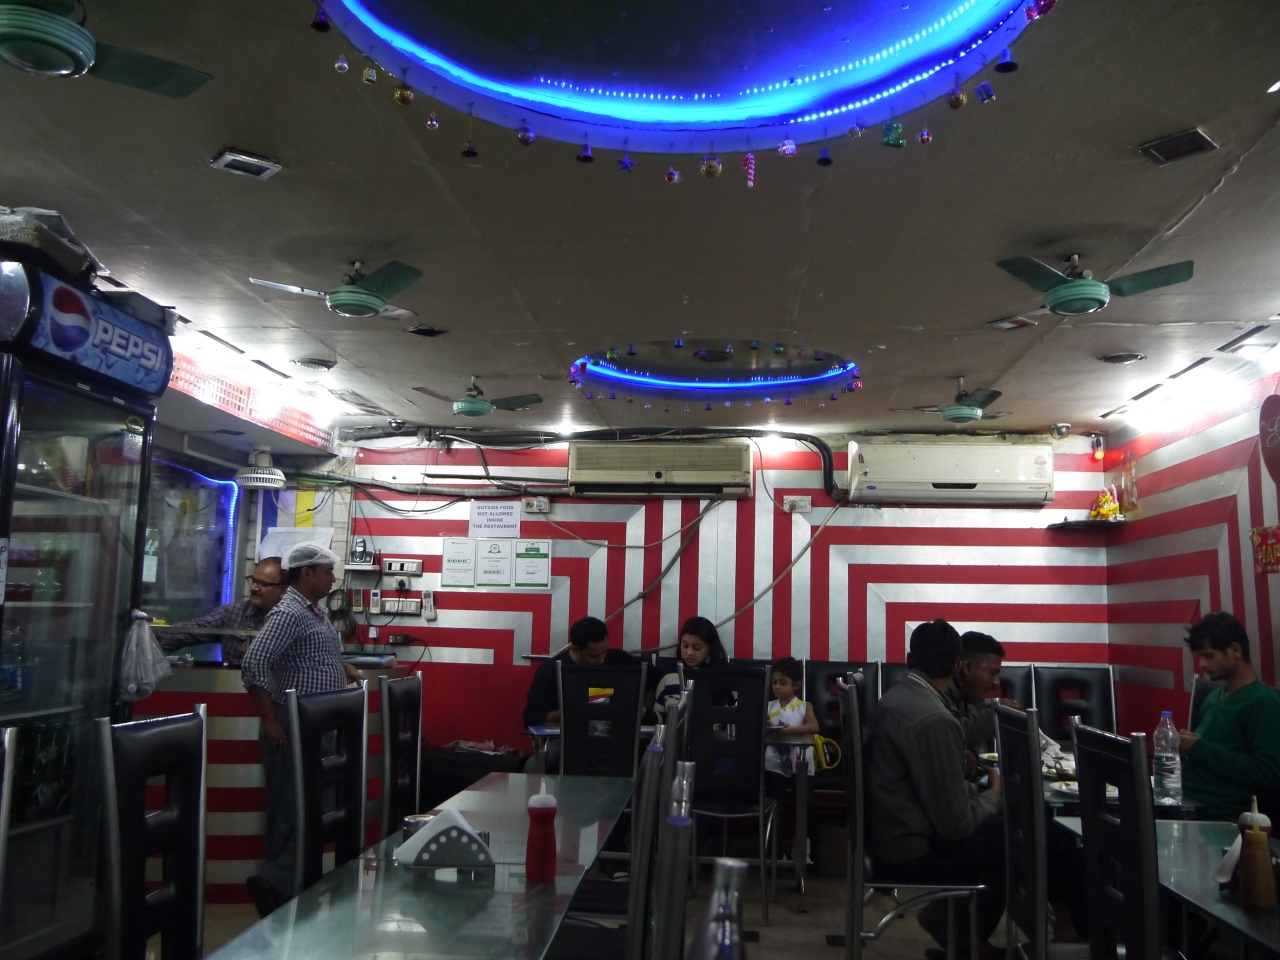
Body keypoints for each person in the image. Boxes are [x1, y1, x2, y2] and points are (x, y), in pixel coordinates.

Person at [865, 619, 1087, 958]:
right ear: (958, 666)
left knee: (1021, 827)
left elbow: (933, 787)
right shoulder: (932, 718)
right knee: (1041, 834)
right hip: (910, 853)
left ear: (910, 660)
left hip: (890, 838)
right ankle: (1070, 936)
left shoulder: (901, 695)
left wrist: (977, 784)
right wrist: (993, 793)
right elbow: (956, 824)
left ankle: (964, 931)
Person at [240, 543, 362, 918]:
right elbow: (254, 663)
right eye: (327, 571)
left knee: (316, 805)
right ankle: (276, 885)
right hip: (291, 723)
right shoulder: (289, 612)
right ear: (306, 573)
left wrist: (341, 667)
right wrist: (269, 719)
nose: (333, 578)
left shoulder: (315, 611)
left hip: (316, 725)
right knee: (291, 809)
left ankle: (286, 885)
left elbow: (311, 656)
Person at [1179, 611, 1280, 820]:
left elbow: (1269, 772)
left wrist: (1200, 749)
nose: (1202, 664)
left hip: (1219, 814)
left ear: (1235, 650)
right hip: (1185, 802)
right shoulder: (1213, 698)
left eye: (1209, 655)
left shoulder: (1263, 702)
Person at [522, 616, 642, 773]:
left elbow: (653, 675)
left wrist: (641, 706)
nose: (601, 660)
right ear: (575, 649)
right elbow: (531, 718)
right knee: (532, 768)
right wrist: (570, 712)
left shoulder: (617, 660)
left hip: (612, 737)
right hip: (567, 739)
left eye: (604, 653)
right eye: (593, 656)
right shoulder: (550, 671)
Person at [157, 557, 286, 665]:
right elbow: (192, 631)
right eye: (253, 581)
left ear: (283, 590)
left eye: (263, 584)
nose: (254, 588)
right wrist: (149, 637)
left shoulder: (292, 619)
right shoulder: (234, 612)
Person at [764, 656, 818, 854]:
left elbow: (814, 726)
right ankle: (775, 851)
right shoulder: (769, 707)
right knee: (778, 805)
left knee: (805, 805)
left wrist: (793, 730)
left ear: (796, 685)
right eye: (774, 682)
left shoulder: (805, 707)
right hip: (774, 763)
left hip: (801, 762)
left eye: (782, 683)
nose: (777, 687)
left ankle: (803, 849)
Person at [652, 616, 728, 720]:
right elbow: (660, 718)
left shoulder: (721, 675)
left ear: (709, 649)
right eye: (685, 646)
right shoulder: (669, 674)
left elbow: (730, 718)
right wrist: (643, 713)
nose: (689, 652)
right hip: (674, 730)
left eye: (697, 648)